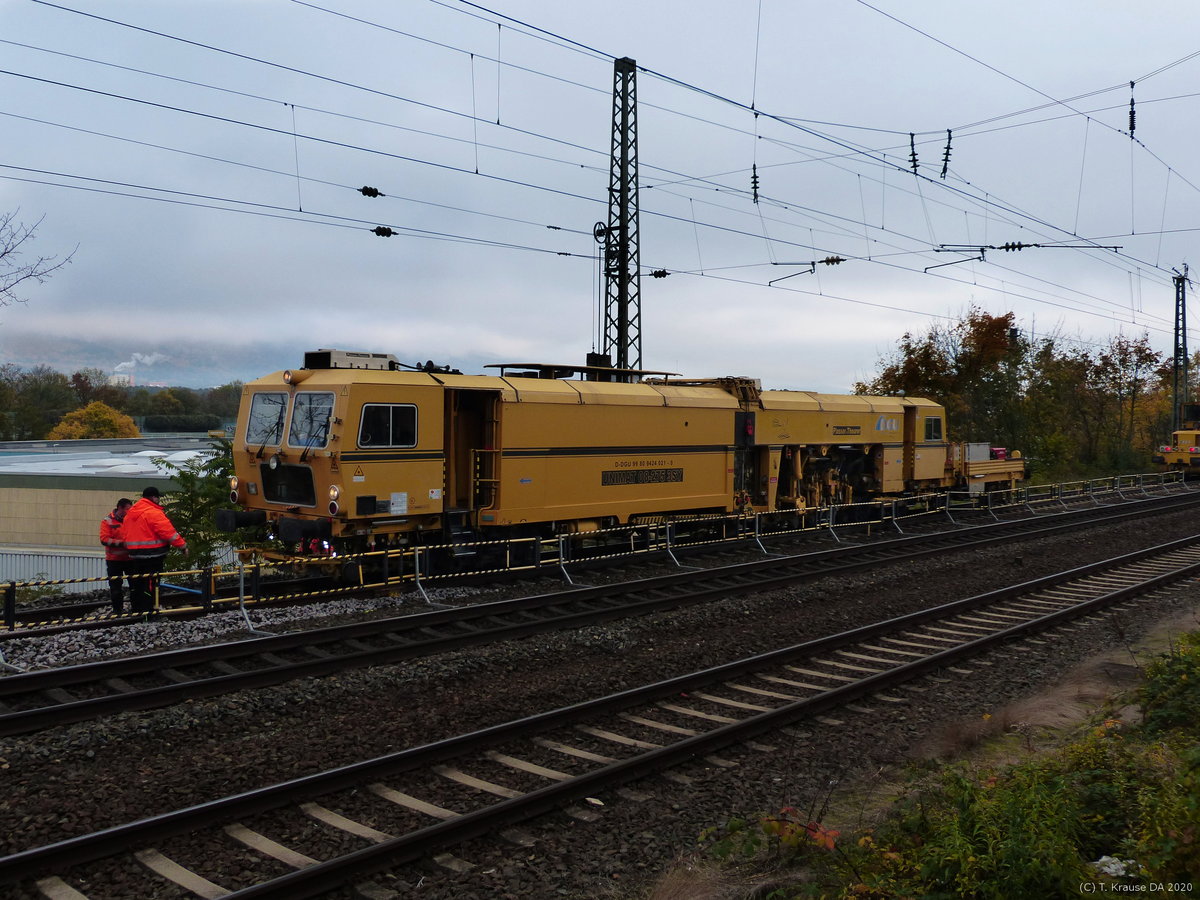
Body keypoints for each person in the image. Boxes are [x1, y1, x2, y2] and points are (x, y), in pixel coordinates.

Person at [122, 486, 187, 615]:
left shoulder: (131, 513)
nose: (159, 501)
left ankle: (137, 612)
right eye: (158, 498)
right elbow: (168, 533)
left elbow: (125, 534)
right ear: (153, 497)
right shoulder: (153, 512)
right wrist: (182, 546)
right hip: (153, 555)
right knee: (151, 585)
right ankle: (149, 614)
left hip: (135, 555)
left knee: (138, 584)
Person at [99, 498, 133, 615]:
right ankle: (118, 611)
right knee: (116, 588)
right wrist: (122, 543)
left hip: (130, 559)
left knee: (135, 585)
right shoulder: (107, 521)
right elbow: (104, 539)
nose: (130, 511)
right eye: (128, 509)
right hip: (114, 560)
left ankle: (136, 609)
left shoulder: (131, 520)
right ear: (120, 508)